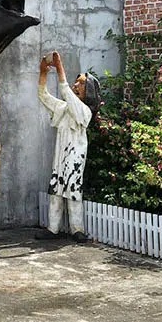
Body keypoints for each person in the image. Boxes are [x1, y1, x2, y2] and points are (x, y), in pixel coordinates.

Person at [35, 51, 100, 243]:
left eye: (81, 83)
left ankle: (77, 229)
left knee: (73, 190)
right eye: (77, 82)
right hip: (61, 153)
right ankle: (53, 228)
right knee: (56, 188)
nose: (76, 85)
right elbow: (44, 96)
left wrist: (59, 66)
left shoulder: (84, 111)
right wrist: (43, 73)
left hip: (75, 156)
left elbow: (65, 91)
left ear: (88, 89)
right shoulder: (65, 108)